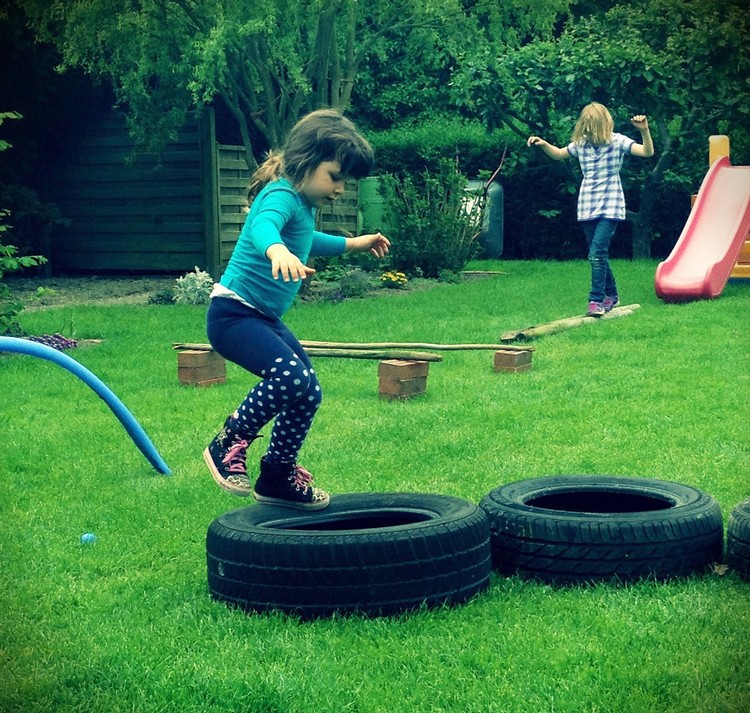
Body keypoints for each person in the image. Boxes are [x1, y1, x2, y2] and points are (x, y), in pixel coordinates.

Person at [203, 109, 390, 510]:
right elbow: (261, 227)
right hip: (233, 314)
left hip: (261, 318)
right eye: (335, 176)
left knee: (308, 389)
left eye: (346, 181)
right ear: (306, 160)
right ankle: (229, 440)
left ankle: (276, 476)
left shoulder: (302, 207)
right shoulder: (281, 194)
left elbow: (308, 240)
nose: (339, 188)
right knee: (289, 377)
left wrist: (355, 243)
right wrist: (277, 250)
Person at [527, 102, 654, 315]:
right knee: (598, 254)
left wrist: (645, 131)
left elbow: (647, 152)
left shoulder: (618, 141)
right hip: (587, 206)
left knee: (596, 254)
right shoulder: (581, 144)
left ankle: (596, 300)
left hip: (611, 205)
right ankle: (612, 295)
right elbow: (559, 153)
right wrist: (543, 143)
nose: (590, 131)